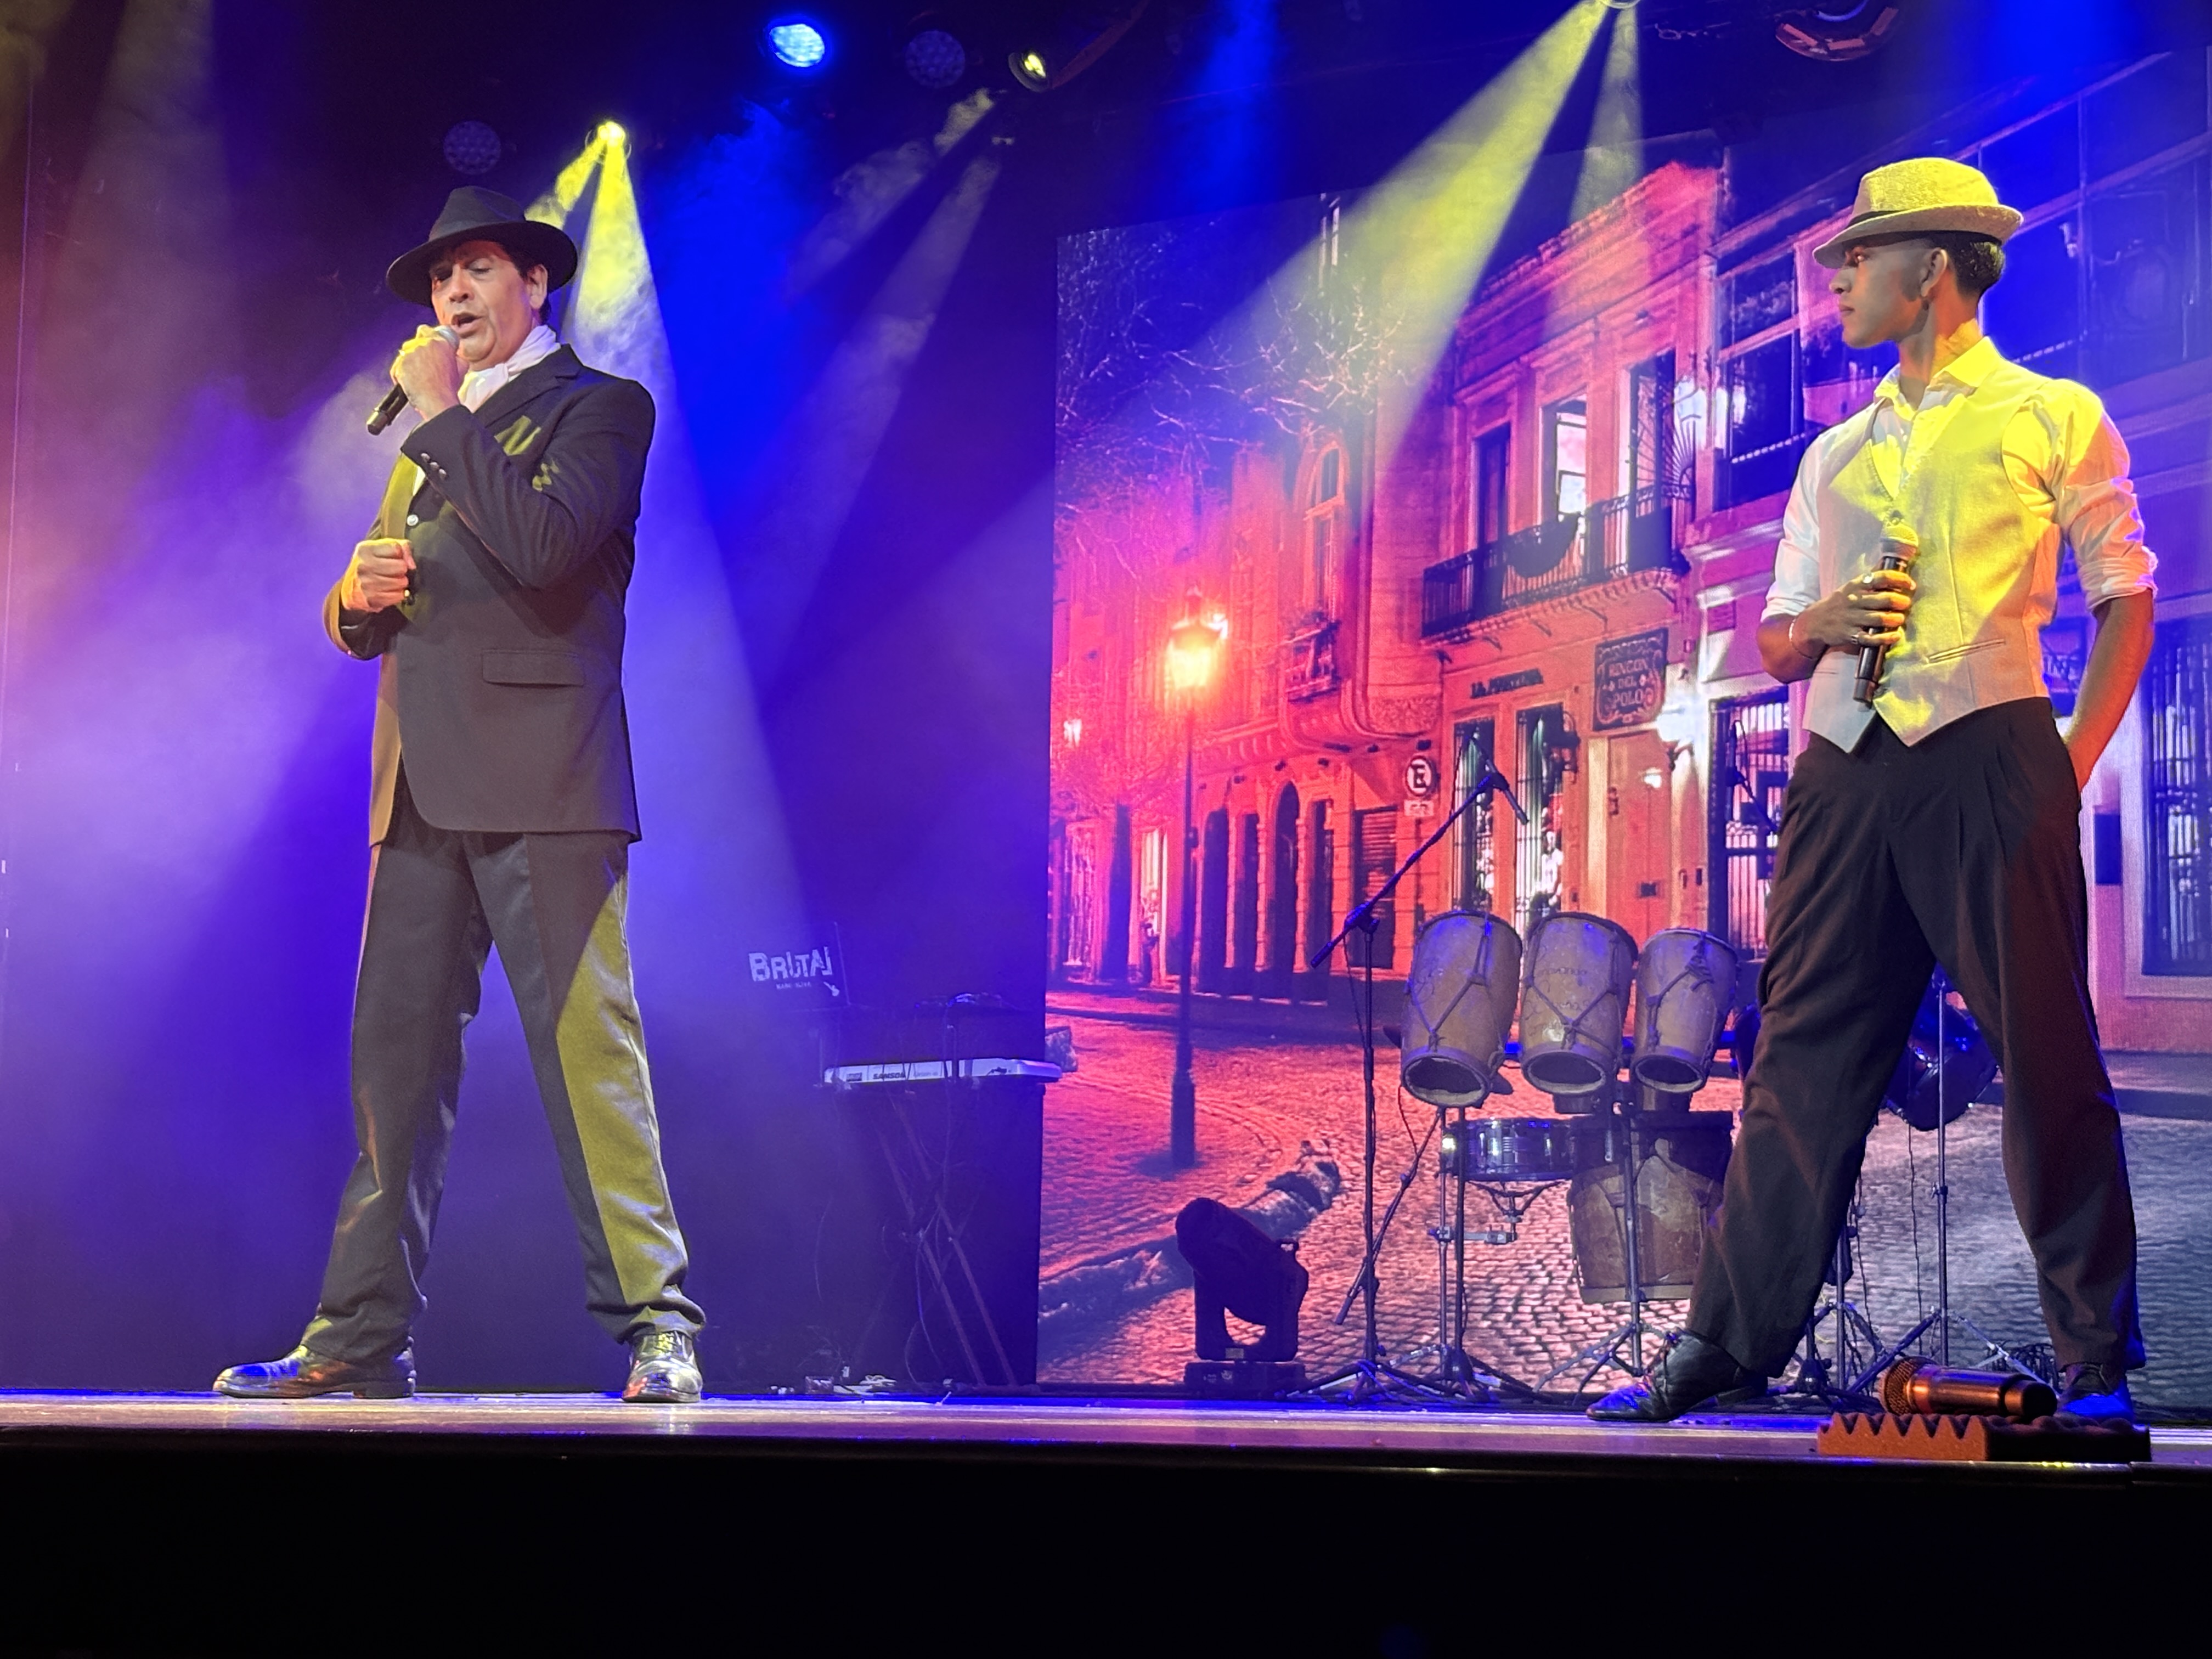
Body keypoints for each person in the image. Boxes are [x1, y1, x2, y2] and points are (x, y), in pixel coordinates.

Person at [1593, 157, 2155, 1424]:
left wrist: (2067, 763)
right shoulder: (1833, 454)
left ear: (1934, 266)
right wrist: (1822, 623)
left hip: (1993, 747)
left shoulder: (2052, 414)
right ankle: (1726, 1344)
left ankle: (2094, 1361)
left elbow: (2128, 596)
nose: (1837, 277)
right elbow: (1775, 637)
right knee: (1798, 1062)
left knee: (2046, 1057)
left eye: (1861, 253)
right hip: (1842, 767)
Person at [216, 188, 706, 1403]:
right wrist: (353, 597)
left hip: (547, 779)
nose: (452, 294)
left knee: (589, 1063)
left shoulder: (601, 406)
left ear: (535, 283)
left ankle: (659, 1325)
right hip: (419, 792)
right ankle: (358, 1335)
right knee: (393, 1073)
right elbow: (383, 611)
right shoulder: (433, 444)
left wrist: (440, 414)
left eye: (476, 269)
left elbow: (545, 549)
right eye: (442, 279)